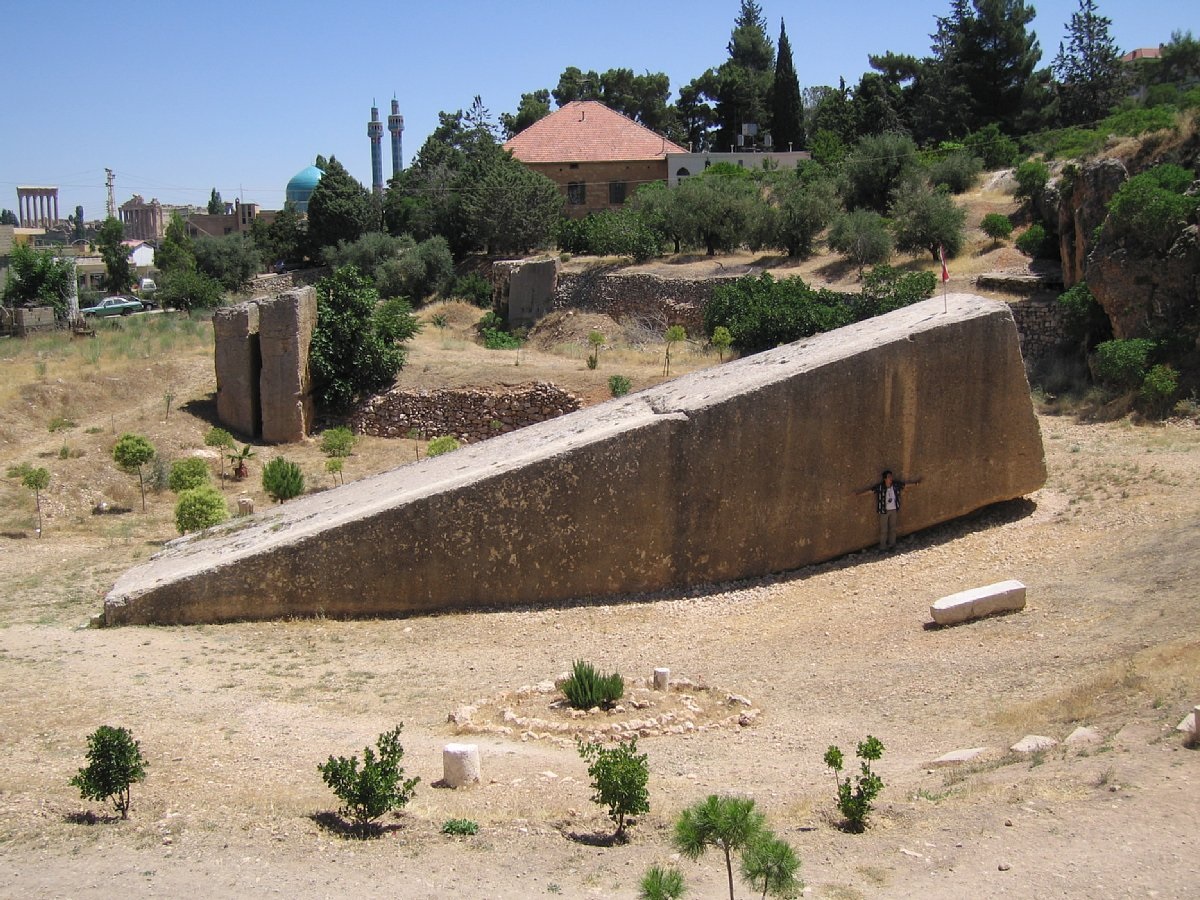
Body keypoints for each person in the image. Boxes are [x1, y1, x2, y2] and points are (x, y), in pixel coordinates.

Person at [857, 469, 922, 551]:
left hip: (893, 510)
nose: (891, 478)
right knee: (884, 530)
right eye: (889, 477)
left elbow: (905, 485)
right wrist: (859, 494)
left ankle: (892, 545)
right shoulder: (880, 487)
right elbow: (870, 491)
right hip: (884, 511)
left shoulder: (895, 485)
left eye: (891, 476)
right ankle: (883, 547)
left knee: (893, 528)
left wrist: (916, 483)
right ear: (885, 479)